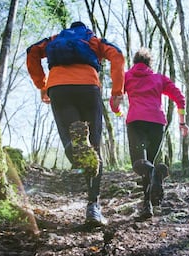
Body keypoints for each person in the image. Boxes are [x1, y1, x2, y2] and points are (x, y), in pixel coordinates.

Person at [26, 21, 125, 226]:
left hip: (59, 88)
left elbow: (31, 51)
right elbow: (117, 54)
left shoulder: (55, 39)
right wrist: (117, 91)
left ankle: (76, 145)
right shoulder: (93, 40)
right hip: (88, 87)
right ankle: (93, 207)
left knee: (72, 140)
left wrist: (41, 84)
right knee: (94, 148)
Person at [111, 47, 189, 220]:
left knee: (141, 164)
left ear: (134, 62)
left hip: (136, 122)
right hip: (156, 123)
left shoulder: (126, 77)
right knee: (149, 167)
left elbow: (114, 101)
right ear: (149, 63)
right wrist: (182, 122)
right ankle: (147, 206)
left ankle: (148, 201)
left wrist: (118, 113)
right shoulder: (159, 78)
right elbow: (180, 98)